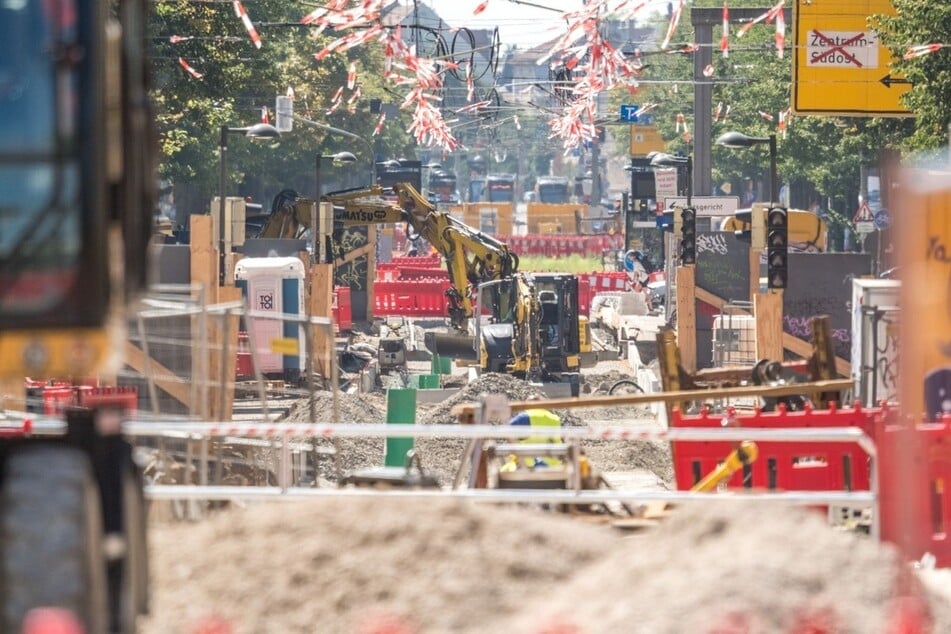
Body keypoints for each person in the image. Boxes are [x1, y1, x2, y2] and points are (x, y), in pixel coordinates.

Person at [506, 402, 563, 468]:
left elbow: (506, 429)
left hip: (529, 468)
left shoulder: (525, 417)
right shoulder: (555, 419)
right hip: (554, 468)